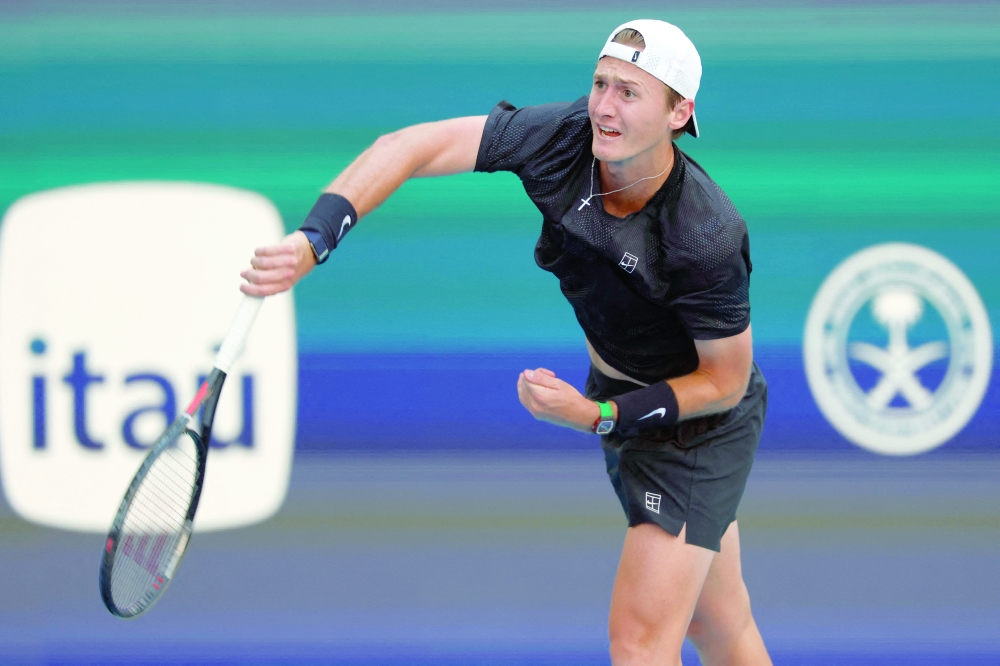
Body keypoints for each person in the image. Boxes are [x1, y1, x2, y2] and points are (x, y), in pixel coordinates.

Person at [241, 18, 771, 666]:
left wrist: (599, 417)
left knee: (639, 644)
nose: (604, 106)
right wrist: (314, 238)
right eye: (601, 83)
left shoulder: (704, 235)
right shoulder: (563, 139)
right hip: (620, 393)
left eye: (630, 93)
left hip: (694, 428)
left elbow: (725, 383)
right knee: (718, 624)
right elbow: (413, 146)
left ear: (679, 112)